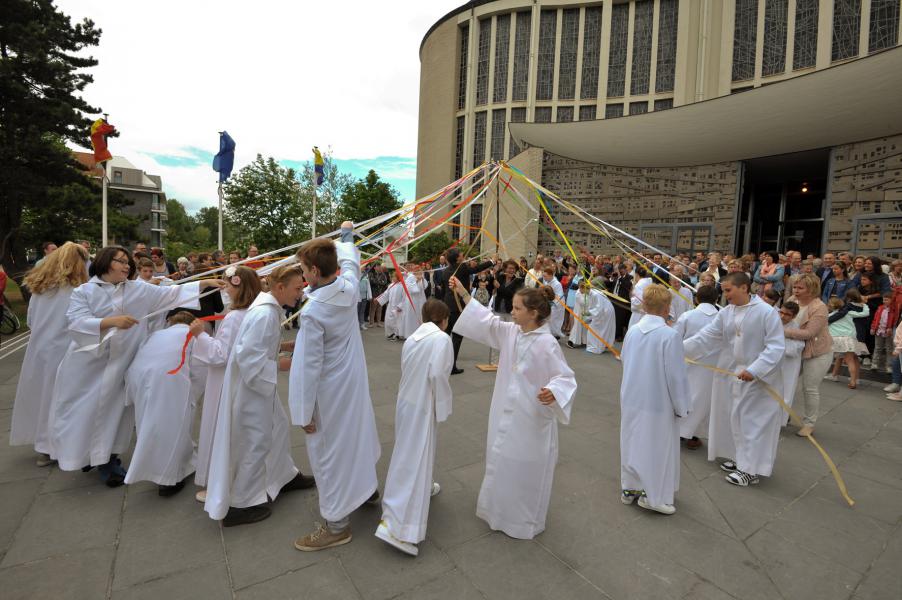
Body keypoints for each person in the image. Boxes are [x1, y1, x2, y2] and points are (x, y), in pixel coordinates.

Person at [48, 246, 224, 485]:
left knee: (115, 413)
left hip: (122, 363)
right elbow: (76, 322)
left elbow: (170, 294)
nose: (126, 265)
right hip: (88, 364)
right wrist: (111, 321)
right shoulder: (84, 292)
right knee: (84, 412)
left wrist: (205, 283)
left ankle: (108, 460)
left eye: (127, 261)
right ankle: (87, 455)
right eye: (121, 261)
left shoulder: (138, 289)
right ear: (106, 263)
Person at [449, 276, 576, 539]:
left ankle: (522, 519)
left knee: (525, 464)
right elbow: (487, 321)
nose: (512, 312)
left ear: (534, 313)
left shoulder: (547, 343)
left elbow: (565, 377)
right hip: (505, 409)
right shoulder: (512, 332)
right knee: (502, 457)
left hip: (530, 415)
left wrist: (554, 390)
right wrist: (462, 291)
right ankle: (498, 511)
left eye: (518, 309)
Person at [290, 223, 381, 551]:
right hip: (353, 382)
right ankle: (368, 490)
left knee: (327, 451)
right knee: (357, 434)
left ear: (314, 270)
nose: (302, 277)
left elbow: (307, 366)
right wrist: (346, 235)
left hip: (329, 392)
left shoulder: (314, 311)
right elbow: (352, 262)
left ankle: (337, 525)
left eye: (303, 270)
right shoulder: (348, 287)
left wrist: (303, 411)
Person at [204, 263, 314, 527]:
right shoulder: (265, 313)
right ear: (280, 287)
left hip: (257, 385)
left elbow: (257, 343)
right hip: (251, 389)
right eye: (298, 288)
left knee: (277, 428)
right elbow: (248, 357)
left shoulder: (267, 308)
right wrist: (281, 364)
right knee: (256, 439)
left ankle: (284, 475)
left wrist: (284, 345)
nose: (301, 294)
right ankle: (241, 504)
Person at [684, 272, 785, 487]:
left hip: (759, 379)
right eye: (724, 290)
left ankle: (751, 470)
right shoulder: (726, 313)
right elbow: (707, 337)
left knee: (753, 422)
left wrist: (755, 369)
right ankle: (740, 458)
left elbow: (776, 346)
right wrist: (677, 348)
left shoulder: (767, 313)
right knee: (735, 417)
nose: (725, 294)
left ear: (744, 288)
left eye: (729, 290)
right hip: (733, 375)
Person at [376, 299, 454, 556]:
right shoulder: (441, 339)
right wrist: (443, 407)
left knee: (408, 451)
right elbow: (439, 376)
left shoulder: (413, 337)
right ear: (444, 320)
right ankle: (399, 525)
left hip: (407, 400)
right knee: (415, 456)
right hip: (422, 402)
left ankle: (422, 488)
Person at [10, 242, 89, 466]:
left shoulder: (40, 289)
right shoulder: (77, 290)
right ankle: (55, 445)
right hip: (64, 348)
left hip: (40, 349)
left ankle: (44, 445)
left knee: (42, 396)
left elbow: (31, 321)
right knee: (61, 398)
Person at [192, 266, 261, 501]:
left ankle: (220, 483)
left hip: (223, 381)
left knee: (220, 429)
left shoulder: (234, 318)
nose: (226, 290)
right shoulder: (252, 312)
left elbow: (220, 355)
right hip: (241, 379)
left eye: (229, 285)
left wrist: (200, 335)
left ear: (239, 287)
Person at [619, 284, 690, 514]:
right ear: (667, 307)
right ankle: (653, 495)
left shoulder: (633, 330)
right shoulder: (669, 335)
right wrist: (682, 406)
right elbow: (676, 377)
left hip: (632, 396)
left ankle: (630, 487)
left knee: (631, 441)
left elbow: (626, 361)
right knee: (656, 447)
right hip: (658, 401)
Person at [124, 311, 200, 496]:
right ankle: (170, 478)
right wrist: (194, 396)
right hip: (169, 379)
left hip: (140, 377)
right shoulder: (192, 336)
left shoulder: (156, 334)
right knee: (175, 426)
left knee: (147, 424)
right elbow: (199, 368)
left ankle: (156, 466)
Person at [780, 273, 832, 438]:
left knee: (809, 388)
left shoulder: (820, 307)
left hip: (817, 352)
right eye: (795, 286)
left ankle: (809, 423)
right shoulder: (793, 302)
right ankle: (783, 415)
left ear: (811, 289)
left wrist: (781, 332)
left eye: (800, 288)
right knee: (786, 383)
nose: (795, 290)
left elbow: (809, 333)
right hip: (795, 350)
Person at [674, 284, 720, 450]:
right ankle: (694, 434)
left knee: (684, 396)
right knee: (704, 401)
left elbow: (676, 339)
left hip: (687, 362)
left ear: (696, 298)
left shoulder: (688, 316)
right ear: (716, 299)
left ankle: (679, 430)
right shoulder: (721, 317)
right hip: (713, 367)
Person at [441, 249, 496, 374]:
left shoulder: (445, 271)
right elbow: (476, 269)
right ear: (457, 258)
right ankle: (452, 366)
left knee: (445, 335)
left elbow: (444, 290)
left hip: (447, 306)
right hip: (458, 307)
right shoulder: (461, 268)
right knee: (457, 337)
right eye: (461, 254)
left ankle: (441, 363)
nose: (463, 255)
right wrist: (491, 261)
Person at [826, 295, 868, 389]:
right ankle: (853, 381)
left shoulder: (829, 316)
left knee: (826, 356)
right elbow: (864, 313)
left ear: (831, 306)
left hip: (836, 339)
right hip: (849, 339)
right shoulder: (849, 313)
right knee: (850, 360)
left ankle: (831, 374)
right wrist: (864, 305)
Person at [778, 301, 805, 426]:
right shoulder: (773, 322)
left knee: (785, 391)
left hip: (788, 365)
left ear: (793, 316)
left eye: (787, 314)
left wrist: (780, 344)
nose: (782, 316)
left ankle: (780, 419)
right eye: (781, 312)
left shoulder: (796, 329)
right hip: (773, 364)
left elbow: (797, 348)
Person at [585, 283, 616, 355]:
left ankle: (596, 347)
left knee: (596, 328)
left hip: (605, 312)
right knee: (602, 328)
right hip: (604, 311)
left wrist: (589, 313)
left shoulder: (595, 294)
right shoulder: (592, 293)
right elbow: (594, 306)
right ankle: (602, 345)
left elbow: (599, 308)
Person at [870, 294, 898, 373]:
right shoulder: (880, 308)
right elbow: (875, 319)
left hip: (889, 332)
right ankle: (874, 364)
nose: (884, 301)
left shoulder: (894, 310)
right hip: (879, 331)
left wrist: (891, 328)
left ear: (891, 300)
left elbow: (895, 320)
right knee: (878, 348)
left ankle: (889, 366)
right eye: (883, 299)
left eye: (886, 300)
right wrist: (873, 328)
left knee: (889, 349)